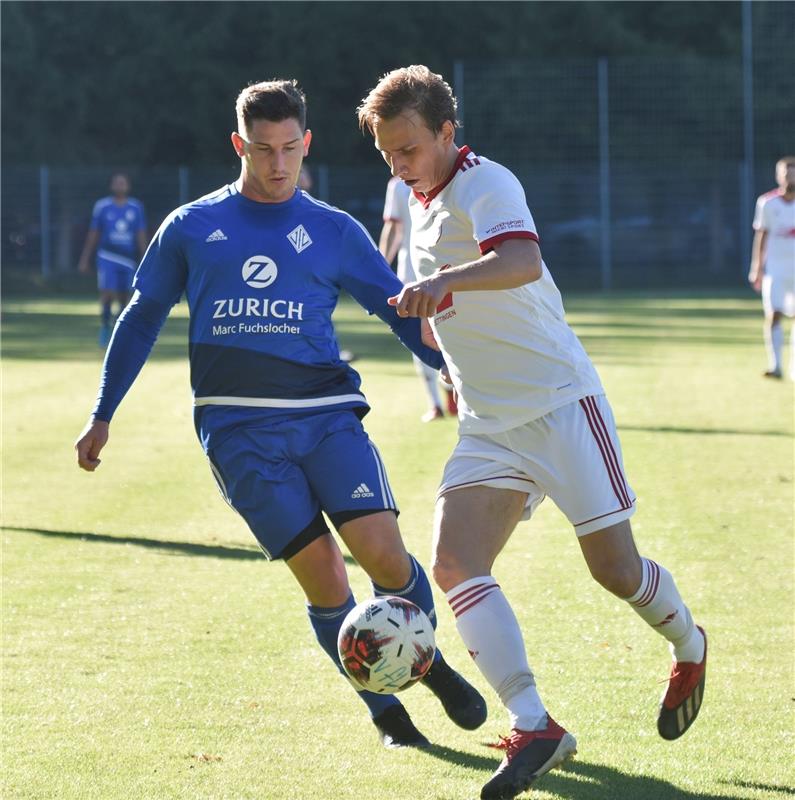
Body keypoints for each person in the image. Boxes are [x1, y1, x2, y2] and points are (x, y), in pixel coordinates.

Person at [74, 79, 486, 750]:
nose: (276, 164)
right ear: (239, 144)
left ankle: (426, 664)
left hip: (325, 415)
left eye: (289, 149)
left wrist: (460, 375)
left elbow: (398, 314)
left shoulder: (332, 231)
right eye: (262, 150)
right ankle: (388, 715)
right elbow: (142, 317)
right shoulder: (191, 227)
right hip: (237, 432)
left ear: (306, 145)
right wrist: (102, 412)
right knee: (324, 575)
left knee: (382, 553)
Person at [358, 65, 707, 800]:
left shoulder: (487, 184)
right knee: (453, 565)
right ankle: (533, 723)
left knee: (613, 571)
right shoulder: (415, 199)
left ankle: (687, 642)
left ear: (448, 134)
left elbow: (521, 260)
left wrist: (444, 283)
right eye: (387, 152)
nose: (397, 164)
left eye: (409, 149)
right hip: (488, 423)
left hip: (558, 405)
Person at [379, 175, 457, 421]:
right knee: (419, 334)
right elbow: (393, 227)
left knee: (452, 331)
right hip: (411, 276)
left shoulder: (453, 178)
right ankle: (435, 402)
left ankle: (453, 391)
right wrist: (380, 267)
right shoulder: (398, 186)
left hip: (446, 272)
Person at [78, 172, 148, 346]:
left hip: (127, 258)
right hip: (107, 255)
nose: (120, 186)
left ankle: (120, 330)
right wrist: (85, 258)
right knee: (107, 292)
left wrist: (147, 259)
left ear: (128, 186)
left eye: (123, 183)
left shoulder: (135, 207)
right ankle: (105, 327)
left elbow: (140, 234)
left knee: (125, 296)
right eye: (117, 183)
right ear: (112, 186)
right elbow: (94, 233)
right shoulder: (102, 207)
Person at [748, 156, 795, 381]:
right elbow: (762, 235)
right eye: (786, 173)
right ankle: (775, 366)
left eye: (793, 172)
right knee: (773, 314)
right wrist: (756, 267)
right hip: (776, 269)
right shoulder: (767, 202)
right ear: (778, 176)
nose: (789, 177)